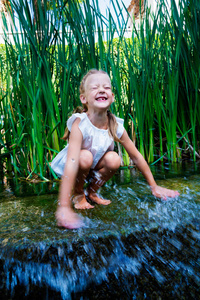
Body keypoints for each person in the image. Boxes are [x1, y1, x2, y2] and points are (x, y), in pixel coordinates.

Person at [51, 69, 179, 229]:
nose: (102, 90)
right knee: (85, 157)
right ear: (84, 99)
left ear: (112, 97)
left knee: (114, 159)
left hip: (94, 165)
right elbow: (72, 161)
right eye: (95, 87)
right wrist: (63, 206)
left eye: (106, 87)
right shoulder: (80, 124)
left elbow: (137, 156)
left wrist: (154, 186)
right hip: (77, 164)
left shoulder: (115, 125)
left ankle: (91, 192)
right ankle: (78, 194)